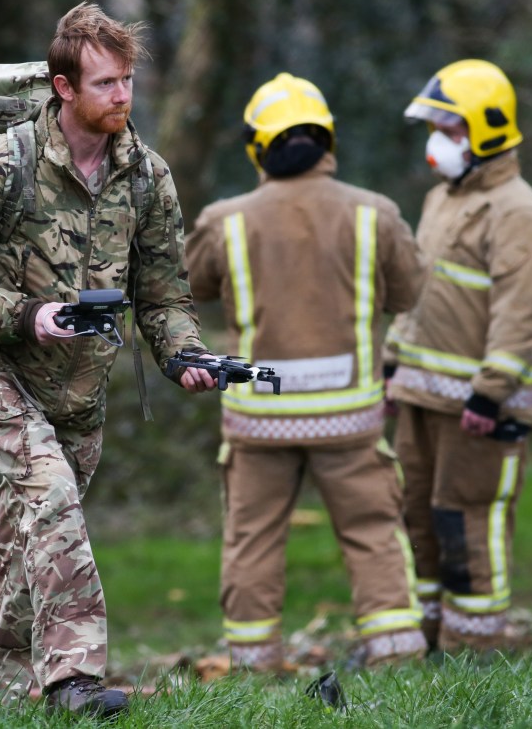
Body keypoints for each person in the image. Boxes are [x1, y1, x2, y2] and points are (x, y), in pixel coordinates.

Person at [0, 2, 215, 717]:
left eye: (128, 81)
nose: (122, 96)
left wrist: (184, 356)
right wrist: (27, 314)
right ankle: (72, 680)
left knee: (26, 540)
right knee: (50, 499)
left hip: (80, 390)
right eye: (107, 83)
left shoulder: (146, 176)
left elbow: (164, 293)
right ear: (64, 89)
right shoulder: (4, 163)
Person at [184, 73, 429, 672]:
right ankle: (397, 655)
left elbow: (187, 287)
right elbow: (408, 292)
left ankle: (253, 664)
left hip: (259, 421)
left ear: (256, 148)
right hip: (348, 419)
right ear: (328, 141)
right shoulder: (375, 213)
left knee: (253, 541)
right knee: (373, 532)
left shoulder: (226, 221)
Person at [384, 59, 532, 653]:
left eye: (451, 128)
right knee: (421, 516)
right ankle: (431, 639)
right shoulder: (444, 198)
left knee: (467, 519)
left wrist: (491, 391)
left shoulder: (520, 214)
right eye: (436, 126)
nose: (440, 141)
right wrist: (394, 361)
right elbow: (419, 288)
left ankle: (474, 651)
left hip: (478, 408)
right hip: (422, 395)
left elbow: (523, 314)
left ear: (486, 131)